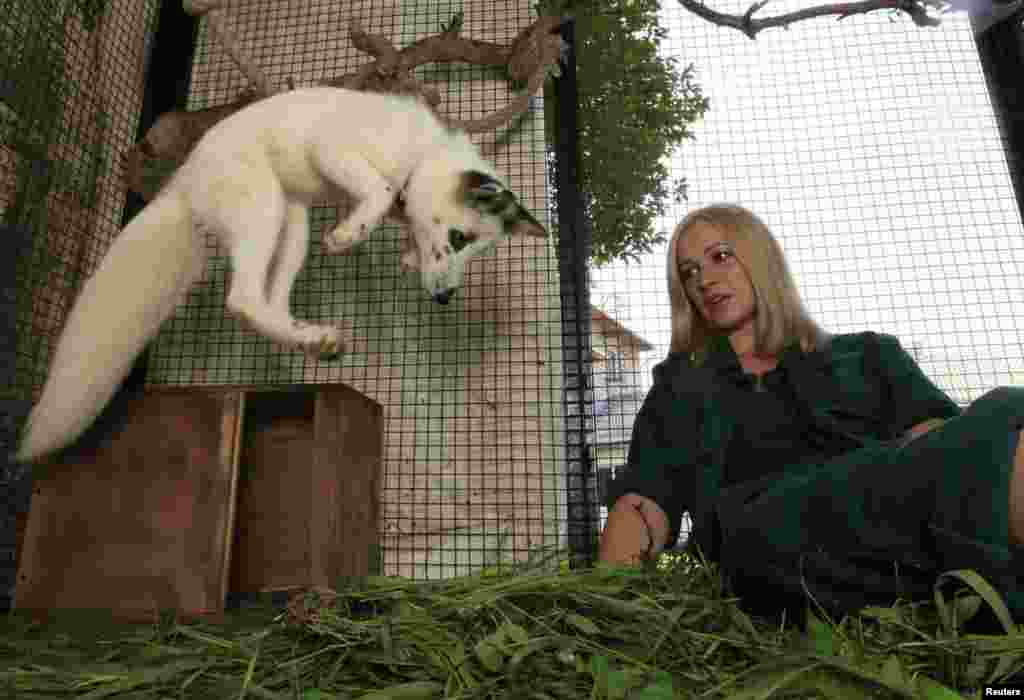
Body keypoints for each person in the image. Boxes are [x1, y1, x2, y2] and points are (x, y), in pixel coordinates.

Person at [600, 203, 1024, 622]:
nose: (705, 279)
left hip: (889, 532)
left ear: (761, 258)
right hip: (760, 544)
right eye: (690, 272)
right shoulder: (681, 388)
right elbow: (642, 500)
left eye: (721, 257)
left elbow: (945, 447)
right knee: (1001, 419)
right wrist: (610, 611)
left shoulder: (870, 355)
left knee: (1003, 417)